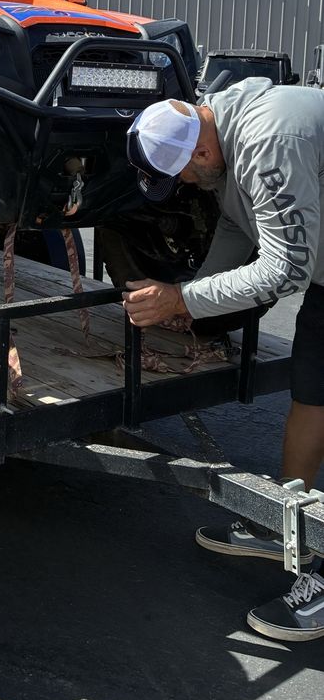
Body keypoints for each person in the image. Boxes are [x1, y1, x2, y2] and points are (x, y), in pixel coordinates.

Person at [122, 77, 324, 642]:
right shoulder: (222, 134)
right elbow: (241, 224)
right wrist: (195, 297)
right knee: (312, 393)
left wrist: (180, 298)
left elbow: (284, 269)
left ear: (201, 151)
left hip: (314, 270)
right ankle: (291, 527)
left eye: (183, 175)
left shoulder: (269, 138)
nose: (185, 185)